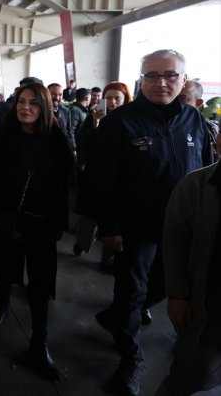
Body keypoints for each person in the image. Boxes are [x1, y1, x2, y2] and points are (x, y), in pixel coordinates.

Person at [93, 49, 214, 396]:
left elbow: (208, 175)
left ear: (184, 79)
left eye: (170, 75)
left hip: (186, 230)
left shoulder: (194, 121)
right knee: (132, 292)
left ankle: (117, 315)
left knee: (168, 289)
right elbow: (103, 180)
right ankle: (131, 358)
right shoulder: (120, 123)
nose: (161, 82)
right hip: (137, 228)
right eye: (152, 76)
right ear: (141, 79)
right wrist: (111, 228)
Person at [0, 82, 73, 382]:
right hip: (5, 216)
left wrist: (59, 222)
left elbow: (64, 186)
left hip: (41, 223)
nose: (25, 107)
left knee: (40, 283)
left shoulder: (56, 139)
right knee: (5, 266)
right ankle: (1, 304)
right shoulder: (2, 136)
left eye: (33, 103)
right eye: (21, 101)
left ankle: (39, 341)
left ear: (45, 107)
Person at [158, 133, 221, 396]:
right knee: (191, 374)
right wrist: (179, 294)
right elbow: (175, 241)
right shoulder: (196, 185)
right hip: (210, 306)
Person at [72, 82, 132, 264]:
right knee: (90, 217)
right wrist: (95, 124)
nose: (113, 102)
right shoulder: (94, 119)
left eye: (117, 99)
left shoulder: (131, 121)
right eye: (108, 99)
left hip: (120, 180)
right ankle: (82, 243)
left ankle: (109, 257)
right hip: (96, 177)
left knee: (114, 221)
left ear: (125, 100)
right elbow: (84, 144)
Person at [180, 80, 219, 162]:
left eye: (182, 98)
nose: (175, 103)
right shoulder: (161, 127)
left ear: (198, 103)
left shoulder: (209, 129)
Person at [47, 83, 74, 152]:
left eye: (60, 94)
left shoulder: (66, 111)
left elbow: (69, 131)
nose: (57, 98)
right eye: (53, 94)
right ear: (46, 94)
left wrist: (73, 149)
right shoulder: (40, 111)